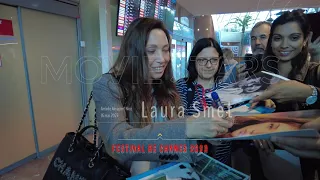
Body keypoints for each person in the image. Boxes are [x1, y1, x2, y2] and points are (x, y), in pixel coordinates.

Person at [92, 17, 234, 176]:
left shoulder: (168, 88)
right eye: (151, 51)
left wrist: (203, 135)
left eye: (166, 50)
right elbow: (116, 141)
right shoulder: (108, 85)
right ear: (133, 52)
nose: (163, 58)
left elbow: (175, 139)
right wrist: (187, 127)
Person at [249, 9, 320, 179]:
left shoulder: (315, 73)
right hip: (263, 160)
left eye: (294, 38)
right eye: (278, 38)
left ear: (305, 40)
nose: (284, 45)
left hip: (305, 165)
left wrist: (311, 93)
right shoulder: (259, 77)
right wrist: (254, 130)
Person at [175, 38, 232, 165]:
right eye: (202, 60)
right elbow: (174, 125)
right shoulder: (182, 87)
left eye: (213, 60)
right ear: (194, 61)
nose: (208, 65)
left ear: (220, 61)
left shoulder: (227, 90)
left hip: (220, 165)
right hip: (188, 164)